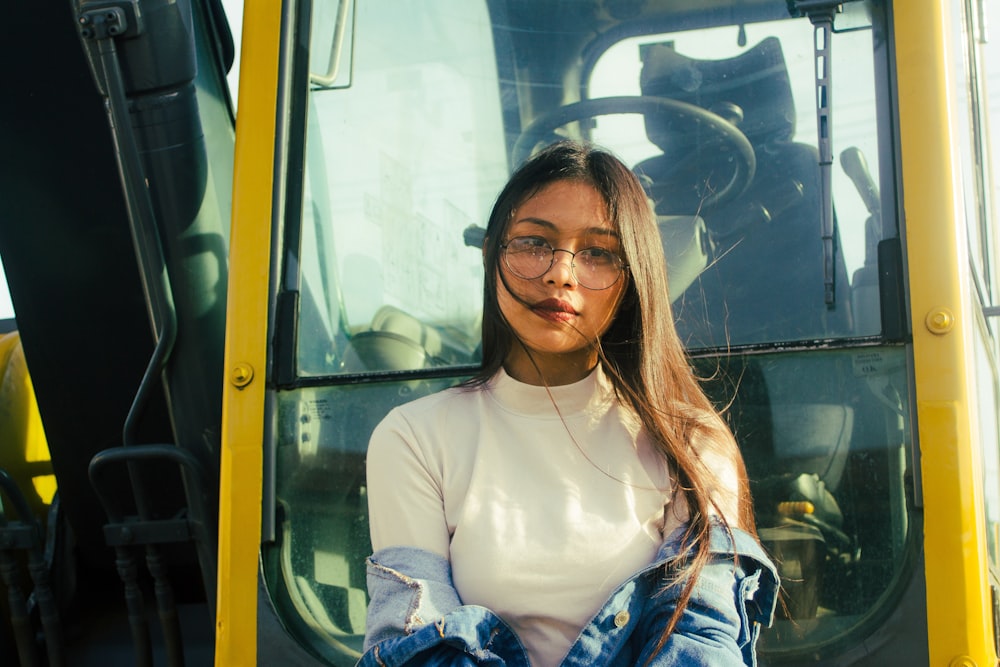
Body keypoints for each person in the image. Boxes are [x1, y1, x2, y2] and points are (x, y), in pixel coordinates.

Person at [359, 141, 778, 666]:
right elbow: (416, 646)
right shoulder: (414, 438)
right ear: (492, 254)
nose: (560, 273)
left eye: (598, 253)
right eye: (534, 243)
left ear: (633, 280)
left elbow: (700, 643)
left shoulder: (691, 445)